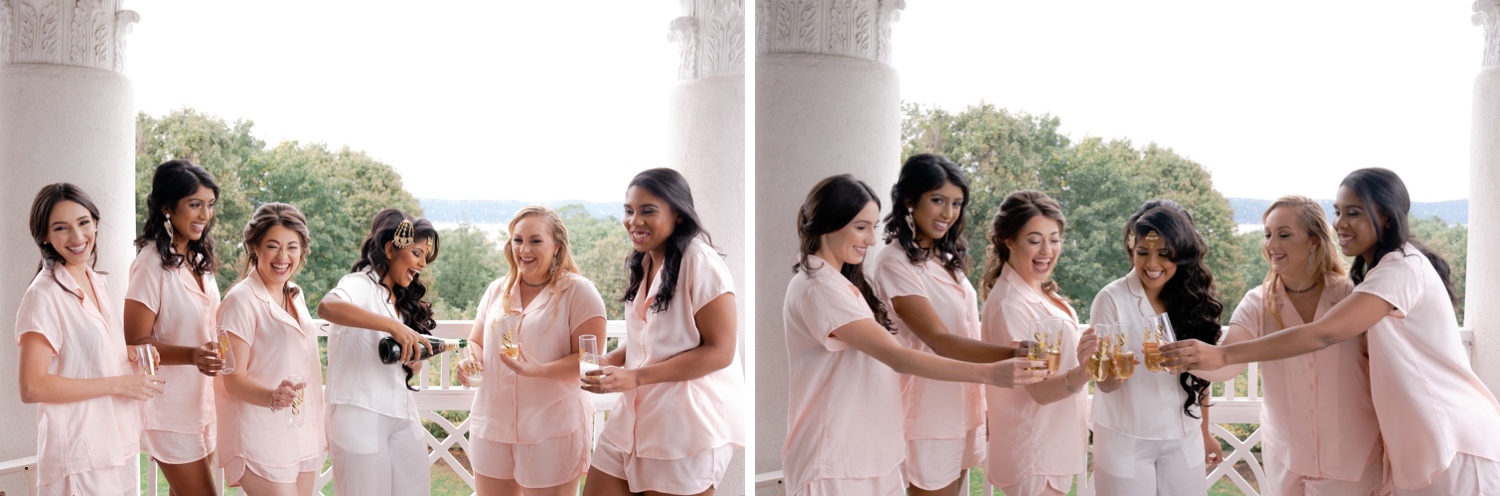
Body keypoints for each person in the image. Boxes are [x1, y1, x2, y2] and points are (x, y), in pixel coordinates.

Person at [1164, 168, 1500, 494]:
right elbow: (1228, 365)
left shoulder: (1385, 277)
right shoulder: (1271, 299)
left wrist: (1220, 352)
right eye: (1337, 212)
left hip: (1444, 441)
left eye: (1352, 212)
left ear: (1384, 217)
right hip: (1398, 448)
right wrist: (1188, 355)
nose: (1340, 222)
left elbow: (1322, 333)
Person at [781, 174, 1044, 495]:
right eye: (860, 227)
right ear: (828, 224)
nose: (870, 240)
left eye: (873, 228)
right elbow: (898, 357)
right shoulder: (819, 288)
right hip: (835, 462)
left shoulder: (842, 285)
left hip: (868, 457)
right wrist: (991, 373)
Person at [1185, 195, 1384, 495]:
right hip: (1286, 455)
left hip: (1353, 458)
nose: (1271, 245)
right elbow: (1229, 364)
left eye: (1284, 234)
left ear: (1315, 241)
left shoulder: (1352, 296)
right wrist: (1192, 357)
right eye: (1267, 234)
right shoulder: (1256, 302)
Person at [871, 154, 1038, 495]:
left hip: (965, 405)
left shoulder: (948, 259)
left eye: (957, 203)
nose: (948, 213)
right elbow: (939, 338)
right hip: (928, 412)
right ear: (909, 200)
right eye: (937, 201)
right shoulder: (894, 261)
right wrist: (1011, 353)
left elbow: (965, 329)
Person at [581, 168, 745, 496]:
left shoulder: (702, 263)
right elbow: (649, 335)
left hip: (686, 429)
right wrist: (611, 360)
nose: (634, 221)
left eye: (648, 211)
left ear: (679, 215)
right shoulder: (643, 262)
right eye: (629, 211)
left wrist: (636, 377)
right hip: (634, 420)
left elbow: (720, 351)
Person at [16, 183, 159, 496]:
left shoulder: (96, 281)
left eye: (83, 223)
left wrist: (129, 353)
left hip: (115, 444)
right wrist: (119, 384)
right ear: (44, 236)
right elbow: (32, 386)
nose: (78, 236)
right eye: (61, 228)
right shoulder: (44, 295)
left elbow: (86, 354)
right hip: (78, 454)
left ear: (95, 222)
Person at [459, 205, 607, 496]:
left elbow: (590, 358)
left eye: (535, 240)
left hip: (550, 428)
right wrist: (471, 362)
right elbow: (475, 342)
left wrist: (539, 370)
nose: (524, 249)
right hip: (493, 424)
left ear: (557, 246)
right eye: (517, 240)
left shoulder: (579, 292)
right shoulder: (496, 291)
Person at [1089, 200, 1223, 495]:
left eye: (1164, 254)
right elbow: (1106, 385)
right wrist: (1111, 371)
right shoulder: (1110, 299)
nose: (1152, 264)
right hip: (1125, 439)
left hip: (1184, 436)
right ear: (1131, 250)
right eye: (1142, 252)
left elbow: (1201, 374)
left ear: (1182, 255)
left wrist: (1204, 431)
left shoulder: (1192, 301)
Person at [976, 190, 1096, 496]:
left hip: (1051, 447)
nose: (1047, 250)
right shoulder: (1010, 304)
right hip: (1034, 453)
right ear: (1009, 241)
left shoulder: (1039, 292)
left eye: (1054, 239)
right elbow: (1039, 390)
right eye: (1034, 239)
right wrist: (1085, 372)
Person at [319, 208, 440, 496]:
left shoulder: (397, 299)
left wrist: (413, 362)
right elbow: (327, 307)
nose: (423, 263)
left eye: (425, 256)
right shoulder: (360, 284)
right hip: (359, 413)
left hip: (401, 415)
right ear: (390, 249)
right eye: (417, 253)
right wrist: (393, 327)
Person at [125, 159, 225, 494]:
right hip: (171, 410)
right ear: (168, 207)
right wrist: (192, 354)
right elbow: (136, 342)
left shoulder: (199, 260)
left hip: (205, 403)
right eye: (194, 205)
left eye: (209, 205)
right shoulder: (150, 264)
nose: (204, 215)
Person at [215, 203, 327, 495]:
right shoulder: (240, 301)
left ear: (302, 250)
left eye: (292, 247)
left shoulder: (295, 295)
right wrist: (272, 397)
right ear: (255, 247)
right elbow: (232, 378)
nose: (282, 257)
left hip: (303, 432)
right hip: (261, 437)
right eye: (273, 246)